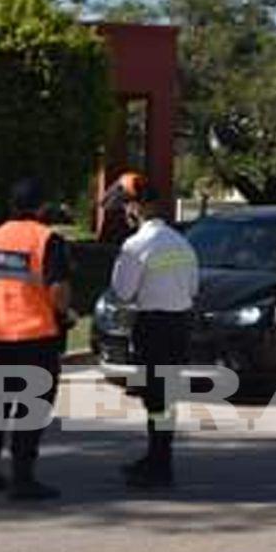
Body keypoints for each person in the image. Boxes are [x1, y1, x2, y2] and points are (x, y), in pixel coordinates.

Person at [0, 178, 76, 501]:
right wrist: (67, 312)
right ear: (42, 207)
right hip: (36, 336)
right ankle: (23, 478)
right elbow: (57, 288)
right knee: (30, 409)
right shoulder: (48, 239)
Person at [108, 179, 199, 489]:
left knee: (155, 398)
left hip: (153, 325)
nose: (124, 212)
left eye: (125, 206)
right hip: (179, 325)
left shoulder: (136, 245)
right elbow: (193, 287)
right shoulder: (181, 242)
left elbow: (122, 291)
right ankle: (158, 456)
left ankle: (160, 465)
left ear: (136, 207)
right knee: (164, 397)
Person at [97, 170, 146, 244]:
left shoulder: (137, 184)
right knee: (113, 220)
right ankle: (107, 240)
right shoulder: (125, 187)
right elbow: (132, 197)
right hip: (115, 199)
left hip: (120, 195)